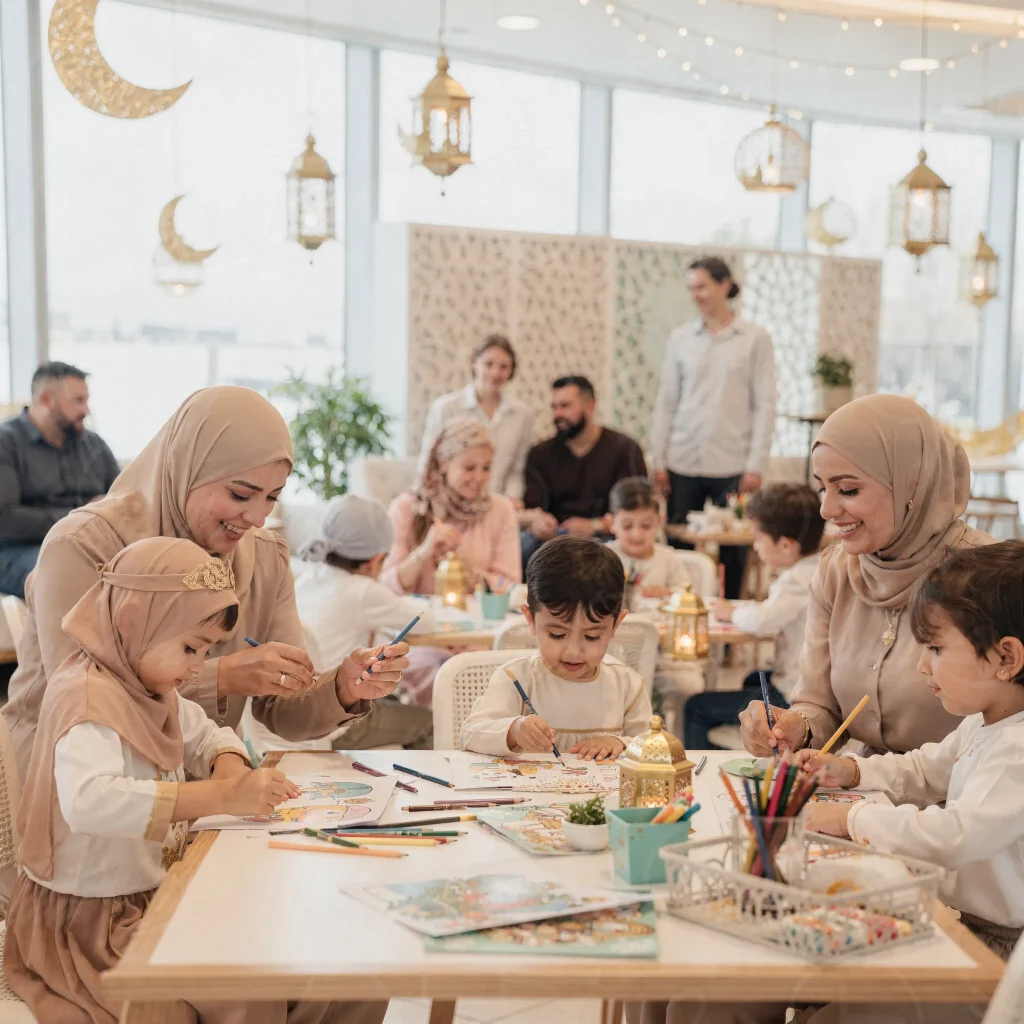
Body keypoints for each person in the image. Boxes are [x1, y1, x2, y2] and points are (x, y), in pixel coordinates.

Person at [4, 536, 386, 1024]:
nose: (195, 667)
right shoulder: (85, 697)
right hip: (91, 923)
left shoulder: (147, 683)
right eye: (189, 648)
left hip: (156, 895)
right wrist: (221, 794)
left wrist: (228, 761)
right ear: (132, 624)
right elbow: (89, 802)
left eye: (204, 651)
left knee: (324, 962)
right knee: (249, 996)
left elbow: (205, 734)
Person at [2, 386, 410, 786]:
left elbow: (282, 712)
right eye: (240, 494)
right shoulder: (84, 545)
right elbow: (85, 701)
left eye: (272, 497)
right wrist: (224, 676)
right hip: (76, 795)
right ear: (186, 467)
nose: (257, 518)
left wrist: (342, 687)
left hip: (202, 792)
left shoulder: (264, 557)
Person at [797, 541, 1024, 1023]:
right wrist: (853, 771)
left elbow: (955, 836)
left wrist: (854, 816)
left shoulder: (1017, 752)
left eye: (937, 649)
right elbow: (925, 770)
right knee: (811, 971)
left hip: (993, 954)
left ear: (1006, 657)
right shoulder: (989, 721)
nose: (923, 666)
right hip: (953, 917)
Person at [738, 394, 993, 760]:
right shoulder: (835, 572)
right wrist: (797, 726)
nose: (827, 509)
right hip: (859, 790)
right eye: (822, 488)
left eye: (848, 490)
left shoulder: (990, 576)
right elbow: (819, 704)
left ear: (911, 484)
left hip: (964, 799)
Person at [460, 536, 652, 760]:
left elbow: (652, 746)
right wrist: (514, 730)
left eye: (592, 636)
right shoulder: (516, 678)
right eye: (557, 635)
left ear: (615, 625)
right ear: (530, 619)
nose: (573, 651)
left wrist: (620, 742)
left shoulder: (627, 685)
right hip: (529, 794)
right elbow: (470, 734)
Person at [651, 257, 776, 599]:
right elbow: (666, 402)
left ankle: (728, 635)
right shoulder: (680, 339)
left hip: (733, 462)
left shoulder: (754, 339)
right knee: (679, 550)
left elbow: (764, 405)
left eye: (703, 286)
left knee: (733, 554)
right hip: (683, 460)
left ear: (725, 286)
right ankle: (679, 622)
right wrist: (658, 461)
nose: (696, 294)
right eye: (691, 288)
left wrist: (756, 464)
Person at [382, 416, 521, 704]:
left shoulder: (500, 511)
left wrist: (469, 569)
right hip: (420, 643)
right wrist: (424, 551)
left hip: (480, 642)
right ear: (443, 464)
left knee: (498, 678)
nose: (479, 478)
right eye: (469, 467)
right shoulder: (408, 509)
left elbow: (511, 589)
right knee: (444, 674)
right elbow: (385, 588)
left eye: (486, 468)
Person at [287, 493, 436, 749]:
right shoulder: (363, 590)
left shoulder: (307, 579)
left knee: (395, 704)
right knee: (430, 722)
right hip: (341, 724)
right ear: (376, 561)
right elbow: (426, 621)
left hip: (302, 716)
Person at [682, 483, 824, 751]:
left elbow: (761, 621)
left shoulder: (796, 580)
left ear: (785, 545)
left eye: (758, 539)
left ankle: (701, 772)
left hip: (793, 693)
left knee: (696, 706)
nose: (755, 547)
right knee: (752, 678)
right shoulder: (818, 569)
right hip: (804, 681)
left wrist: (732, 611)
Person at [0, 362, 120, 599]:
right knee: (73, 574)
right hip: (21, 550)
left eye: (86, 400)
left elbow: (123, 497)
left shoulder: (94, 444)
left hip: (91, 546)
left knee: (144, 568)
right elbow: (4, 519)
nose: (86, 409)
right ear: (46, 400)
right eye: (78, 400)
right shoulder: (7, 442)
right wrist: (80, 515)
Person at [521, 376, 647, 565]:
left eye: (565, 406)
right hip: (552, 539)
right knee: (522, 545)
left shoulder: (625, 450)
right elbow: (532, 505)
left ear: (590, 406)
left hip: (605, 537)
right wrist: (538, 521)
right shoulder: (540, 454)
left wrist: (594, 526)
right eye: (554, 407)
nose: (558, 414)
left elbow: (637, 509)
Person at [419, 334, 533, 504]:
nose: (495, 373)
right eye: (489, 364)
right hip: (452, 505)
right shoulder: (446, 408)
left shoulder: (522, 415)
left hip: (498, 507)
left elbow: (517, 469)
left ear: (511, 371)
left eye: (504, 367)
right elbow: (429, 464)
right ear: (474, 363)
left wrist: (512, 499)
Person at [607, 477, 693, 598]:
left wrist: (667, 594)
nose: (636, 534)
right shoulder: (603, 558)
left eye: (646, 526)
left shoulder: (667, 558)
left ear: (659, 522)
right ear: (611, 523)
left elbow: (687, 595)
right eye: (627, 526)